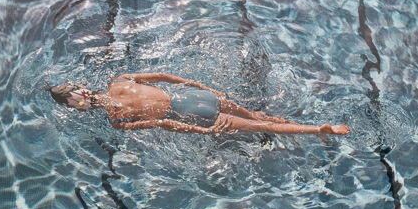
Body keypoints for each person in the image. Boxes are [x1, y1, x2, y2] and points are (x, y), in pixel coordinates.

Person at [48, 73, 348, 138]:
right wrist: (203, 87)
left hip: (187, 113)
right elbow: (165, 75)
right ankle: (302, 125)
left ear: (76, 105)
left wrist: (199, 131)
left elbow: (164, 124)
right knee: (256, 116)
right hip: (192, 97)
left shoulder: (116, 120)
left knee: (258, 127)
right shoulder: (119, 80)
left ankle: (318, 130)